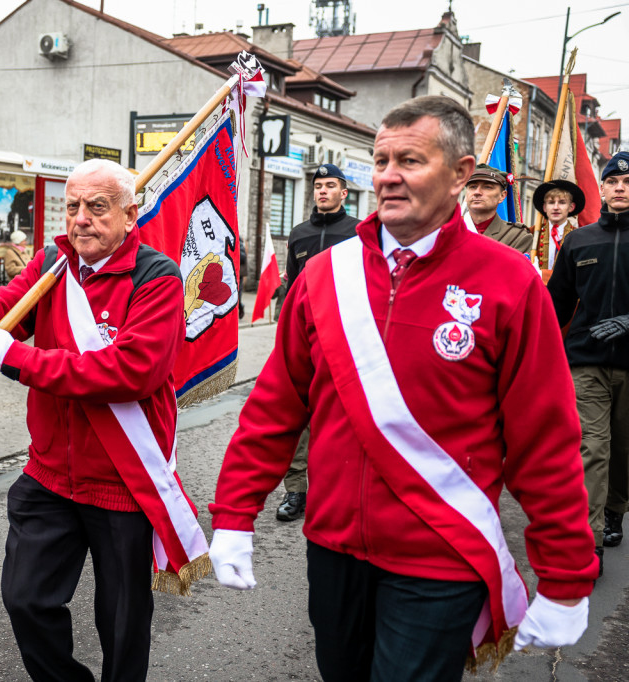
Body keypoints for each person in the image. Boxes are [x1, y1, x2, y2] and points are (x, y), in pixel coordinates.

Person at [209, 96, 597, 681]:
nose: (388, 176)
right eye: (381, 159)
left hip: (440, 553)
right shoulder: (324, 276)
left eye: (410, 160)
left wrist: (565, 575)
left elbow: (545, 439)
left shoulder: (509, 281)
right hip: (334, 548)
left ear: (461, 174)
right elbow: (275, 407)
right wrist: (234, 514)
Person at [0, 159, 208, 681]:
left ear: (129, 215)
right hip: (50, 476)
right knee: (25, 600)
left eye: (97, 207)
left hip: (123, 481)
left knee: (122, 623)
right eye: (73, 207)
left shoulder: (156, 276)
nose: (81, 219)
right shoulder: (53, 265)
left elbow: (130, 372)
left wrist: (18, 358)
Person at [547, 151, 629, 573]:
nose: (620, 188)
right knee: (592, 448)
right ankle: (589, 539)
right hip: (586, 362)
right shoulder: (580, 241)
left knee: (623, 449)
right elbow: (556, 303)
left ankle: (616, 507)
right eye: (613, 182)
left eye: (628, 182)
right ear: (603, 188)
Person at [271, 163, 360, 522]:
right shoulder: (299, 233)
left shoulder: (359, 232)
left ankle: (337, 490)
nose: (322, 191)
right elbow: (291, 288)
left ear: (344, 193)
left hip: (345, 337)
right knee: (298, 417)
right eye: (318, 185)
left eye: (330, 185)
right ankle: (296, 492)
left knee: (341, 417)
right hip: (305, 339)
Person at [464, 163, 533, 254]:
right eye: (473, 187)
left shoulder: (517, 237)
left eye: (487, 187)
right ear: (466, 194)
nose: (477, 192)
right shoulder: (446, 231)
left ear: (502, 196)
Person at [532, 179, 585, 270]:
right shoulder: (532, 233)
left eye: (562, 202)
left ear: (571, 207)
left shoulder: (580, 236)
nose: (556, 207)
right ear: (544, 207)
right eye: (551, 203)